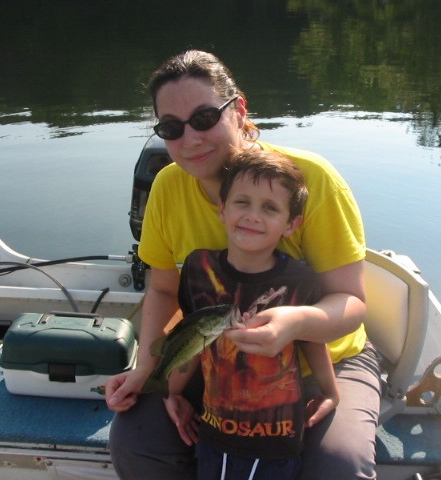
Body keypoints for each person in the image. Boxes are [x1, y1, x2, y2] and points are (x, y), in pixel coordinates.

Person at [106, 49, 381, 480]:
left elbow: (351, 301)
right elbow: (163, 290)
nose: (190, 139)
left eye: (204, 118)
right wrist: (149, 369)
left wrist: (295, 323)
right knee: (138, 442)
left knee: (338, 465)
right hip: (209, 359)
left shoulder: (310, 179)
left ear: (239, 111)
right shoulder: (167, 187)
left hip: (322, 363)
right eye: (171, 128)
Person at [166, 149, 339, 480]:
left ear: (291, 224)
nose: (253, 216)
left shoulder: (301, 280)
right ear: (222, 209)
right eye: (242, 202)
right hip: (214, 430)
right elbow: (190, 340)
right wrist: (171, 391)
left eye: (270, 208)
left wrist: (330, 392)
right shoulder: (198, 269)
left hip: (277, 436)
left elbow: (312, 340)